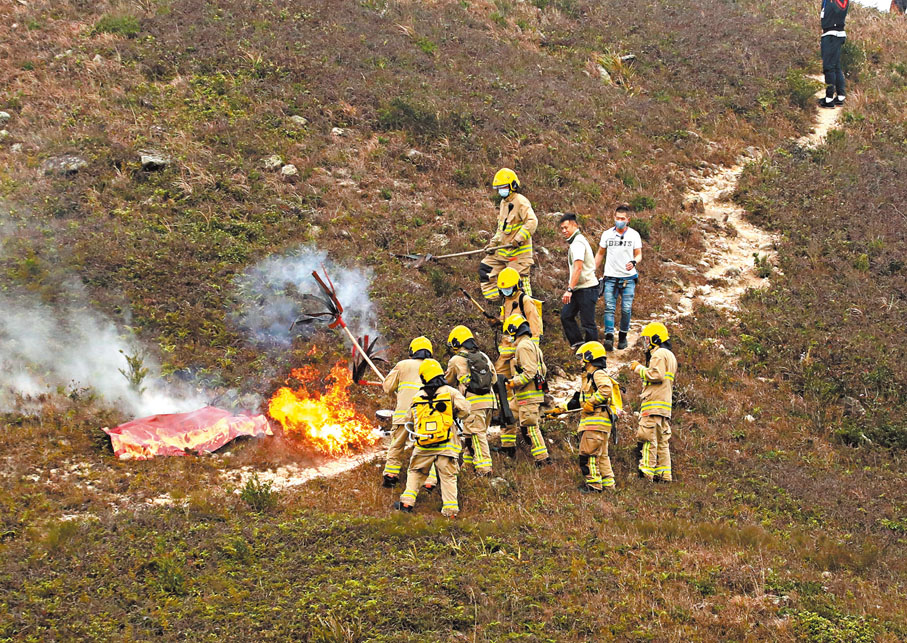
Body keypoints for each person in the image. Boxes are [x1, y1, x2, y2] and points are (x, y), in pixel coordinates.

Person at [394, 359, 471, 517]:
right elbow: (465, 409)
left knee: (415, 471)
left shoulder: (417, 396)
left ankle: (407, 503)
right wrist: (453, 415)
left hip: (424, 444)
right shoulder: (450, 392)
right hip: (446, 444)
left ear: (423, 377)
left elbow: (410, 419)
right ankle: (450, 512)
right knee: (448, 477)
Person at [550, 341, 622, 492]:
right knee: (602, 456)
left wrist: (592, 401)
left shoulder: (598, 374)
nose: (581, 361)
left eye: (582, 357)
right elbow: (577, 401)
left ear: (590, 356)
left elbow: (606, 389)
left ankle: (594, 486)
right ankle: (609, 487)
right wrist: (559, 410)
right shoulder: (588, 378)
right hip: (600, 424)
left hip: (595, 423)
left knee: (587, 454)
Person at [381, 336, 434, 488]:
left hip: (403, 415)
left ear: (412, 351)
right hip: (425, 414)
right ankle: (429, 481)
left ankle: (391, 476)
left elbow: (387, 387)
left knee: (397, 444)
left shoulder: (402, 365)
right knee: (427, 446)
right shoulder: (434, 366)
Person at [628, 322, 678, 483]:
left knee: (648, 438)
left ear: (656, 338)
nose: (647, 343)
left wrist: (638, 368)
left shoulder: (659, 354)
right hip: (664, 407)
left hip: (653, 404)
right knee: (662, 442)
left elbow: (656, 375)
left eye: (648, 339)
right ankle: (664, 475)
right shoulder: (670, 355)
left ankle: (646, 474)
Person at [478, 168, 538, 301]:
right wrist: (492, 243)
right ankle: (500, 302)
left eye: (503, 187)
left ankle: (529, 312)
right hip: (503, 252)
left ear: (513, 186)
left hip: (518, 255)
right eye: (499, 188)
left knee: (519, 284)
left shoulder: (521, 201)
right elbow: (501, 229)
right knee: (486, 268)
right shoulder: (504, 203)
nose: (501, 190)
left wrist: (519, 238)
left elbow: (532, 221)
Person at [445, 325, 496, 476]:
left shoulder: (456, 360)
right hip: (490, 403)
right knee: (471, 434)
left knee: (476, 435)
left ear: (456, 342)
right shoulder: (483, 356)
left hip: (473, 404)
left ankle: (484, 469)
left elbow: (447, 382)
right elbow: (493, 378)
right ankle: (467, 465)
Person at [502, 314, 551, 465]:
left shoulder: (523, 347)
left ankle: (542, 459)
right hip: (523, 396)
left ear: (513, 330)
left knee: (531, 427)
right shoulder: (532, 345)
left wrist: (513, 383)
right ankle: (508, 448)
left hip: (527, 396)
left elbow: (529, 372)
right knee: (507, 416)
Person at [594, 204, 642, 351]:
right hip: (610, 277)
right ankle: (609, 336)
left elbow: (638, 254)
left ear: (628, 220)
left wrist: (634, 262)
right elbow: (601, 253)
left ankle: (623, 335)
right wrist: (593, 270)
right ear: (614, 218)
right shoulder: (607, 234)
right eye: (617, 218)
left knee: (626, 308)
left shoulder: (634, 235)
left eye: (622, 218)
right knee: (609, 307)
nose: (619, 221)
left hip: (628, 278)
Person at [558, 213, 600, 349]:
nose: (564, 231)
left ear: (574, 225)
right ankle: (578, 346)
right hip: (579, 288)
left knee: (588, 323)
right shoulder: (575, 242)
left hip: (587, 288)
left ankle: (594, 353)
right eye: (562, 229)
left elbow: (578, 268)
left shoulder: (578, 243)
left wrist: (569, 289)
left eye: (566, 227)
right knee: (566, 315)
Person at [493, 267, 542, 376]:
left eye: (508, 288)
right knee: (499, 376)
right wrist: (496, 323)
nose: (506, 291)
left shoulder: (525, 301)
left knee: (519, 378)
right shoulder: (506, 301)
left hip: (521, 349)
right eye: (503, 288)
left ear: (516, 285)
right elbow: (505, 322)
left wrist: (532, 350)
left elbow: (534, 326)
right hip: (507, 349)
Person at [819, 0, 849, 108]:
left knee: (829, 67)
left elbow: (841, 7)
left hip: (833, 34)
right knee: (835, 66)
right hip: (829, 33)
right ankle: (840, 97)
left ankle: (829, 99)